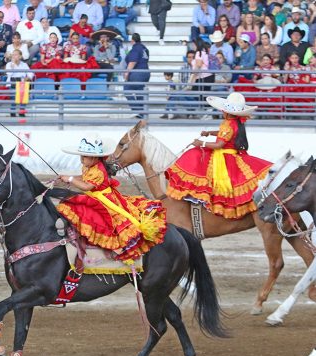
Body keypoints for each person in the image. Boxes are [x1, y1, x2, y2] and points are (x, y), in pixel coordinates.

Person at [56, 134, 166, 262]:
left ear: (95, 158)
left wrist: (70, 179)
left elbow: (86, 186)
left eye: (84, 156)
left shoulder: (98, 171)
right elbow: (84, 178)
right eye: (81, 156)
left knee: (110, 221)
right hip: (95, 196)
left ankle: (117, 249)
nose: (81, 159)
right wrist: (70, 178)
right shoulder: (89, 166)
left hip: (104, 199)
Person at [166, 92, 272, 219]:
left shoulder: (229, 123)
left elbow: (219, 145)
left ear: (227, 111)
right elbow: (225, 134)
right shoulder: (234, 122)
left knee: (196, 157)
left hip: (224, 156)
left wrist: (201, 143)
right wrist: (210, 133)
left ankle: (199, 199)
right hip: (229, 153)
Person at [124, 33, 150, 118]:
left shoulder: (135, 49)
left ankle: (137, 110)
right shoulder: (144, 48)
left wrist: (126, 73)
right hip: (146, 72)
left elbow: (132, 62)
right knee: (139, 91)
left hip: (138, 73)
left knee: (126, 89)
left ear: (132, 41)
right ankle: (141, 113)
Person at [5, 49, 34, 116]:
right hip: (13, 82)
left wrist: (28, 77)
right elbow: (9, 74)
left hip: (22, 82)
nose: (14, 56)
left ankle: (22, 112)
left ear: (20, 56)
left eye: (16, 54)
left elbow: (30, 73)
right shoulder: (9, 64)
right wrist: (13, 66)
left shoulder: (24, 64)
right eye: (13, 55)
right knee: (13, 97)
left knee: (24, 95)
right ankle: (12, 112)